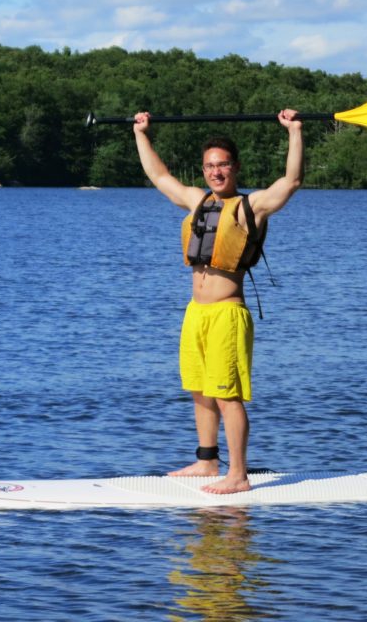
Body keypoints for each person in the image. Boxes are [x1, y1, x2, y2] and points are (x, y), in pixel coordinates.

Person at [132, 109, 302, 494]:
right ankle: (208, 461)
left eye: (223, 165)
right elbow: (159, 176)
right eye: (210, 166)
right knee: (200, 389)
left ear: (235, 167)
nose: (216, 172)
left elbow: (291, 180)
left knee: (228, 396)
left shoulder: (251, 207)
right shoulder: (197, 201)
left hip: (228, 313)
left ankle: (238, 474)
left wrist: (294, 131)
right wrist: (142, 134)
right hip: (196, 314)